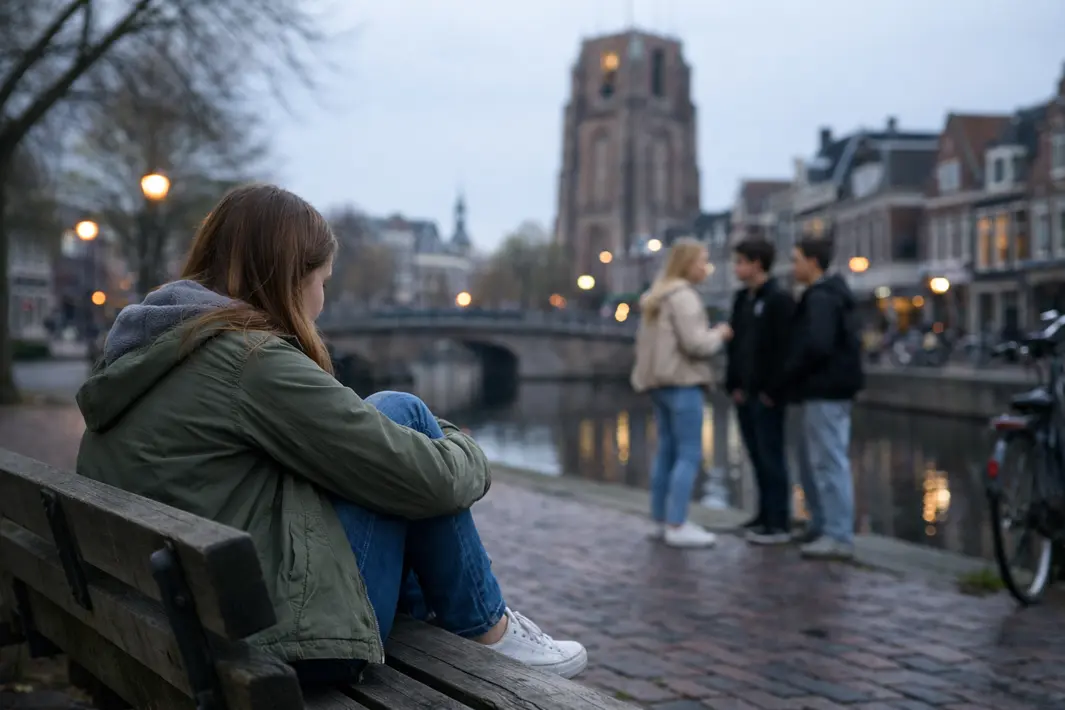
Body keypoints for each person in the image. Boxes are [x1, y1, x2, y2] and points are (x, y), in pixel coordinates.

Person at [74, 184, 588, 685]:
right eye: (324, 281)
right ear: (290, 279)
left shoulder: (151, 349)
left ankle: (460, 620)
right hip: (275, 645)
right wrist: (466, 447)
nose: (322, 300)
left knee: (381, 443)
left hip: (167, 623)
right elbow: (433, 481)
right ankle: (487, 628)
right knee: (401, 412)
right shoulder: (250, 361)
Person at [631, 238, 733, 548]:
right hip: (683, 382)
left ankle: (659, 520)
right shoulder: (684, 296)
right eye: (702, 261)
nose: (706, 267)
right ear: (687, 264)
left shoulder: (656, 296)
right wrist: (721, 333)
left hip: (659, 384)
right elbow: (697, 344)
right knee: (689, 452)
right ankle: (677, 524)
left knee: (666, 451)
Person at [773, 237, 864, 560]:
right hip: (822, 389)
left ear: (813, 262)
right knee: (817, 461)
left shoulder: (821, 299)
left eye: (796, 260)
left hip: (825, 389)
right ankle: (823, 524)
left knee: (828, 461)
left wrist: (790, 370)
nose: (792, 266)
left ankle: (838, 535)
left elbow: (817, 345)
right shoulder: (825, 296)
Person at [725, 237, 795, 545]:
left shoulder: (779, 299)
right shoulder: (742, 299)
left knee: (772, 455)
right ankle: (763, 514)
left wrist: (772, 390)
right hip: (745, 393)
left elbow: (784, 350)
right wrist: (735, 384)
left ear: (756, 264)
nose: (735, 267)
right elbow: (737, 346)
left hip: (766, 394)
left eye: (740, 261)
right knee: (755, 455)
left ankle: (779, 522)